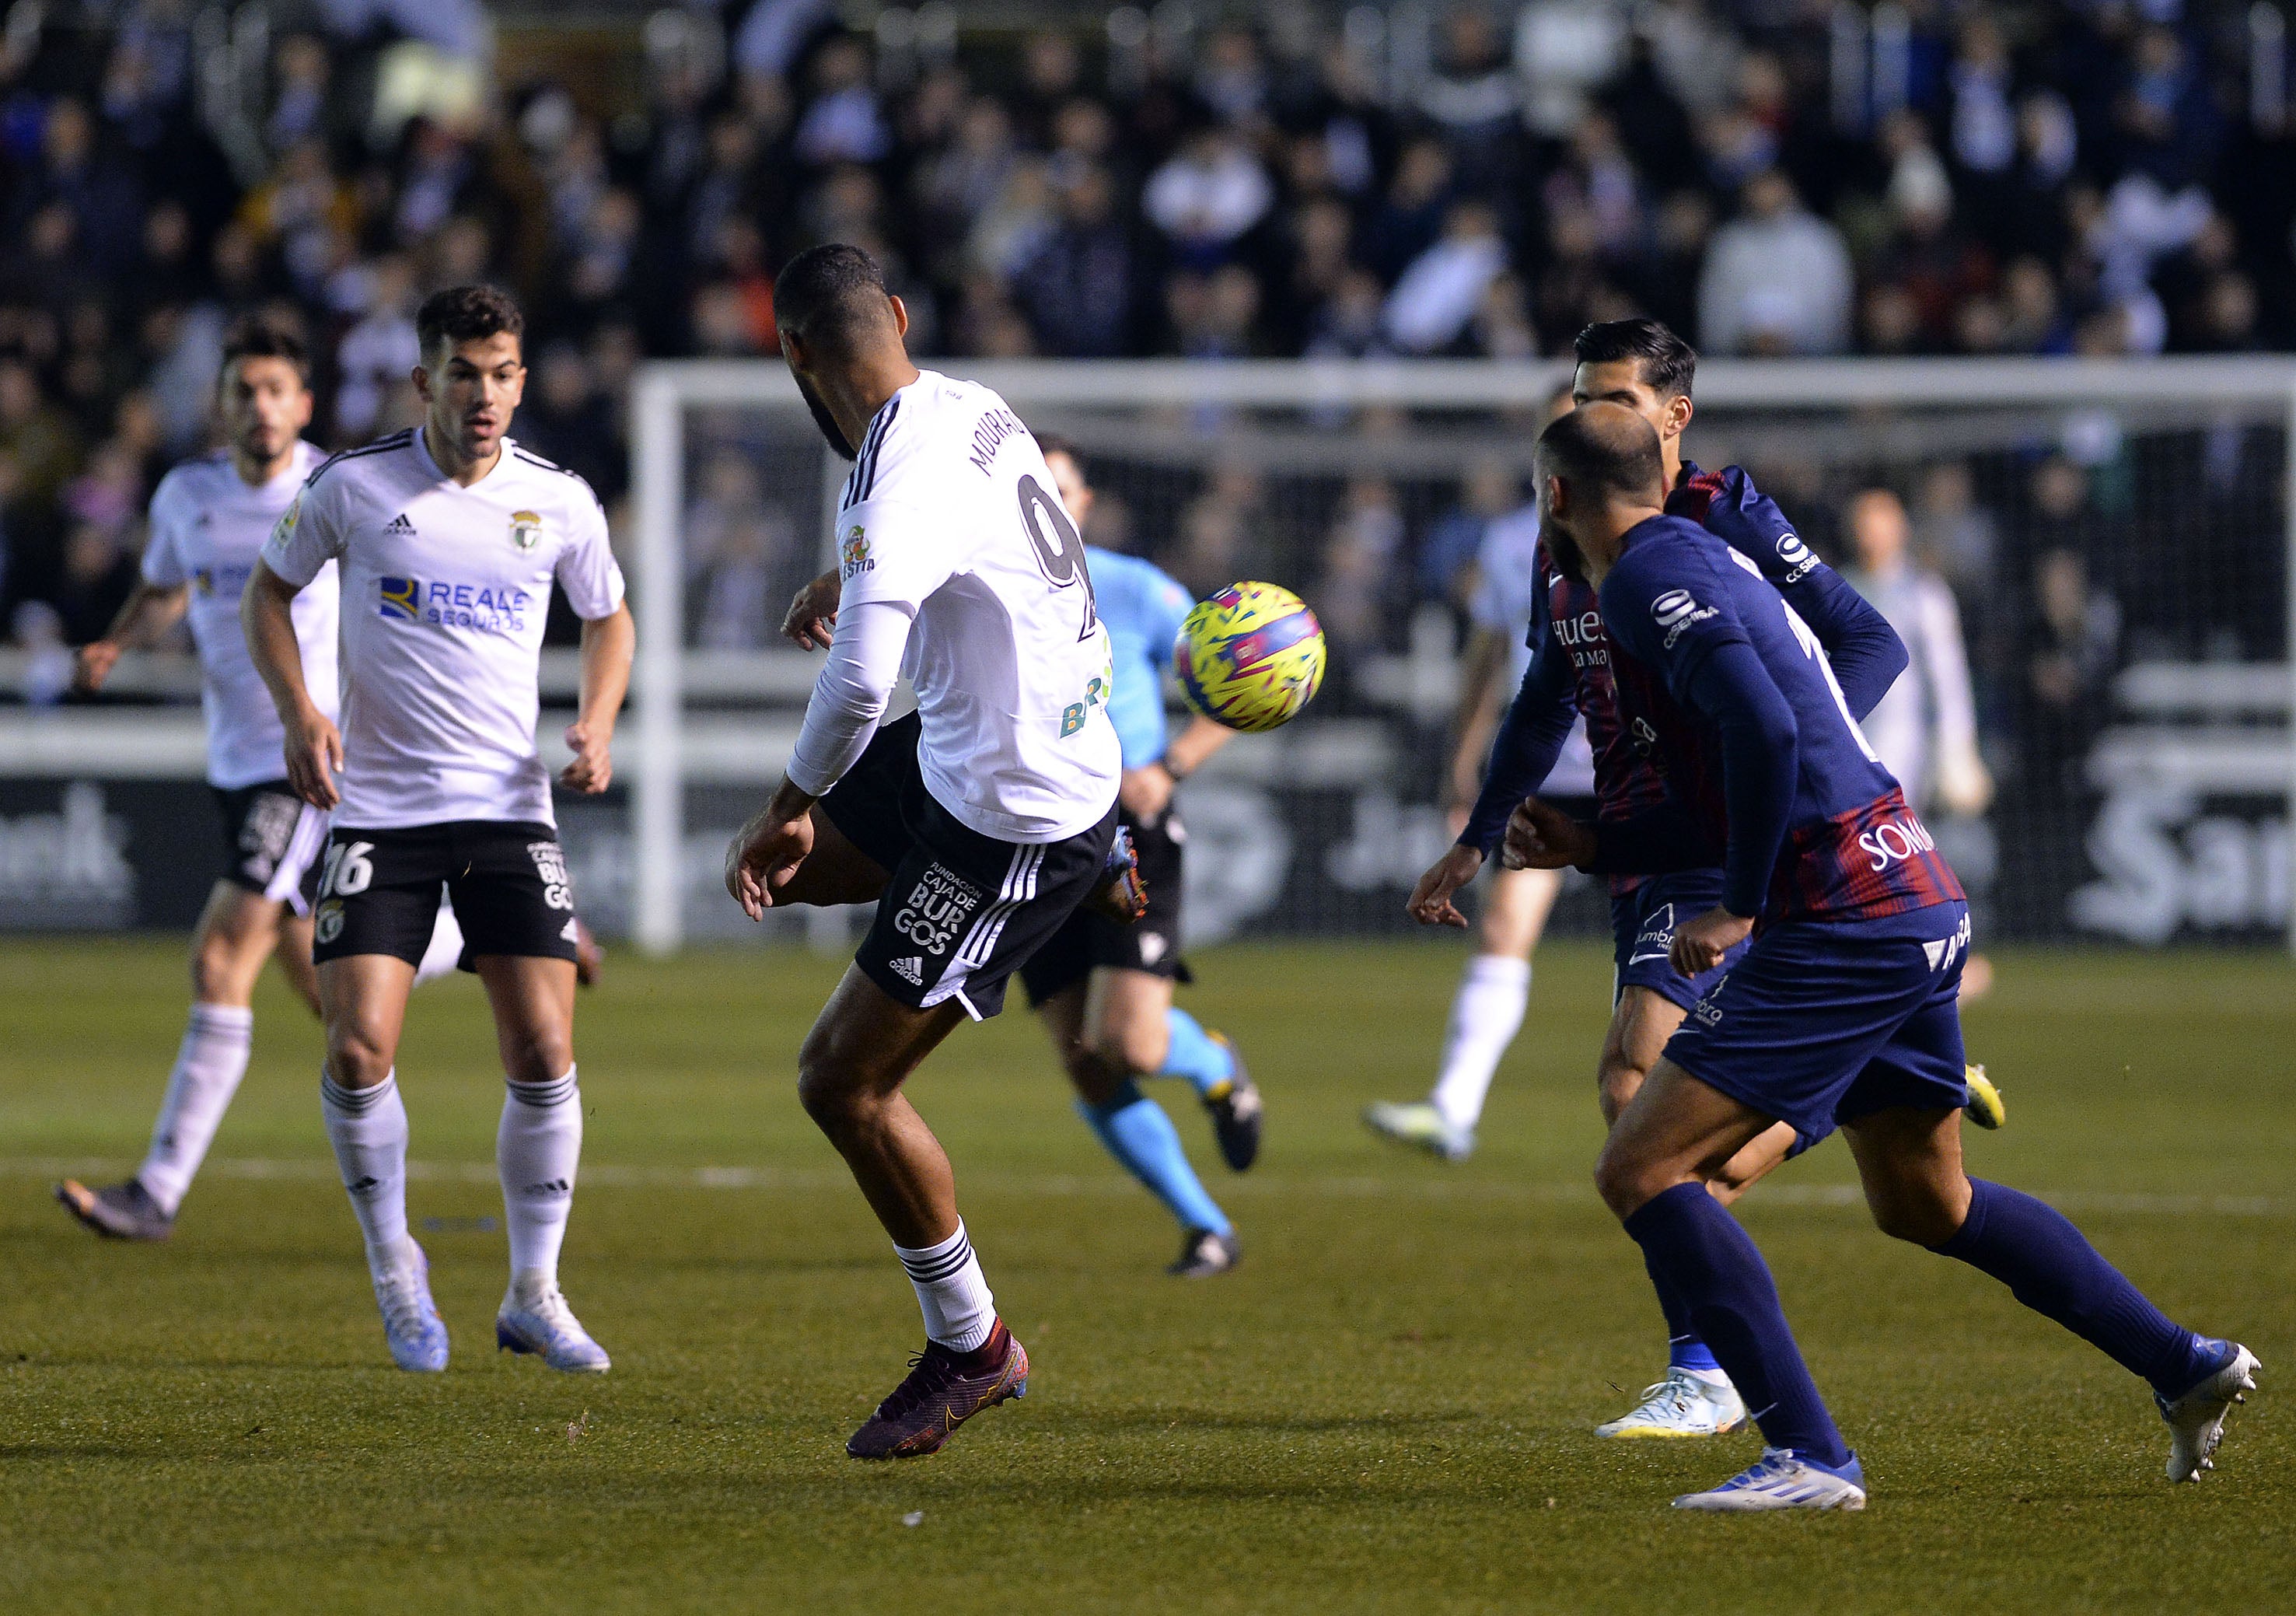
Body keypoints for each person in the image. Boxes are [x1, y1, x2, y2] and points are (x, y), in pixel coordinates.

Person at [1507, 402, 2256, 1510]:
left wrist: (1740, 903)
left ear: (1558, 495)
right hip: (1910, 892)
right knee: (1924, 1201)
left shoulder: (1637, 578)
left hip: (1839, 918)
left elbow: (1765, 734)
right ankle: (2186, 1364)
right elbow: (1776, 749)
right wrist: (1596, 841)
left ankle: (1810, 1457)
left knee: (1642, 1165)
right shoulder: (1692, 557)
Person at [1410, 317, 1924, 1439]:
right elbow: (1548, 688)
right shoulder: (1575, 520)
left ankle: (1707, 1370)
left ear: (1672, 414)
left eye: (1613, 394)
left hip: (1724, 834)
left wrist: (1788, 763)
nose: (1589, 411)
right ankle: (1852, 1078)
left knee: (1632, 1085)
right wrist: (1479, 831)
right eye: (1578, 389)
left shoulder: (1727, 518)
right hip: (1646, 837)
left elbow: (1869, 643)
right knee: (1673, 1123)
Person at [724, 243, 1126, 1460]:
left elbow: (855, 684)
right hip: (966, 751)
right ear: (897, 317)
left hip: (1009, 811)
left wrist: (788, 799)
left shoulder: (891, 477)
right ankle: (1079, 878)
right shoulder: (968, 403)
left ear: (793, 351)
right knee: (789, 882)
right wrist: (842, 573)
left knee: (840, 1079)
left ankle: (972, 1342)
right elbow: (964, 548)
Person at [244, 285, 634, 1376]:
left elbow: (610, 615)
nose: (486, 394)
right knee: (358, 1041)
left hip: (510, 810)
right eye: (465, 373)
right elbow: (267, 594)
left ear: (521, 377)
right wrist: (299, 710)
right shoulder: (356, 485)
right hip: (380, 808)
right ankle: (393, 1266)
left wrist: (596, 721)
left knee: (545, 1048)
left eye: (503, 373)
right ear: (426, 379)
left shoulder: (557, 500)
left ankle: (534, 1293)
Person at [55, 321, 469, 1242]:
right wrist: (121, 639)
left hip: (310, 763)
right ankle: (467, 933)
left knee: (218, 953)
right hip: (235, 765)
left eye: (277, 389)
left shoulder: (341, 489)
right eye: (244, 390)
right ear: (223, 405)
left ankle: (155, 1190)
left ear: (304, 404)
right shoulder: (185, 495)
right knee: (326, 982)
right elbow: (168, 587)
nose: (261, 406)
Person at [1007, 434, 1261, 1277]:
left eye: (1062, 487)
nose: (1046, 500)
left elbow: (1234, 682)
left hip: (1128, 830)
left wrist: (1171, 764)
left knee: (1133, 1042)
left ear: (1081, 503)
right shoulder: (981, 592)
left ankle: (1214, 1061)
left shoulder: (1137, 588)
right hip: (1027, 836)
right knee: (1083, 1057)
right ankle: (1205, 1225)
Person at [1365, 383, 1581, 1162]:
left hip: (1655, 763)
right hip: (1553, 770)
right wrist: (1465, 760)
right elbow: (1489, 658)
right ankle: (1453, 1106)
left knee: (1723, 933)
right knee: (1501, 923)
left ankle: (1890, 1049)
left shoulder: (1666, 531)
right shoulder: (1508, 541)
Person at [1845, 487, 1996, 996]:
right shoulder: (1841, 585)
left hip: (1905, 746)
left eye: (1879, 520)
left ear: (1898, 528)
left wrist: (1957, 750)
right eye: (1863, 521)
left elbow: (1947, 677)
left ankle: (1944, 956)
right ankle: (1885, 957)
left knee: (1899, 853)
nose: (1869, 532)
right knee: (1866, 857)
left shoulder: (1921, 593)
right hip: (1849, 741)